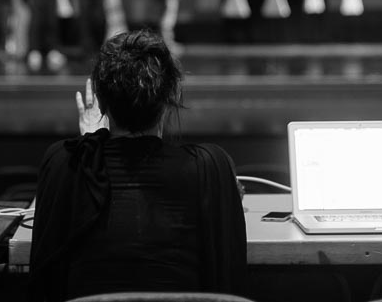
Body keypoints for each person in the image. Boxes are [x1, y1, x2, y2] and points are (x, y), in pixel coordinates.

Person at [29, 30, 247, 301]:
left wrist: (92, 146)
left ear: (100, 99)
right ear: (173, 95)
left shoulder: (65, 161)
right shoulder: (211, 166)